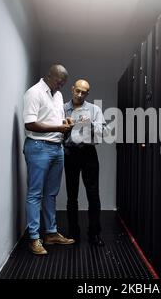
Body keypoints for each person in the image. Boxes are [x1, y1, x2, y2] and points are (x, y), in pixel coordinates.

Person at [23, 64, 76, 255]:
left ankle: (51, 233)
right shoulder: (34, 93)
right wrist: (57, 129)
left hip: (56, 148)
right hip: (38, 147)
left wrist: (66, 123)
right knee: (35, 194)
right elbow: (30, 123)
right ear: (48, 76)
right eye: (59, 81)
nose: (61, 85)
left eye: (63, 83)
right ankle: (34, 238)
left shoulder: (58, 94)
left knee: (51, 193)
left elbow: (56, 120)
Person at [64, 79, 107, 246]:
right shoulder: (62, 108)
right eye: (78, 91)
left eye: (84, 92)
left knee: (93, 195)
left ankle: (94, 234)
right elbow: (57, 132)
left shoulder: (94, 109)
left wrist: (88, 124)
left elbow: (103, 132)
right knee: (71, 196)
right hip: (70, 154)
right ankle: (73, 233)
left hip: (89, 154)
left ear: (87, 94)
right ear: (72, 89)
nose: (80, 95)